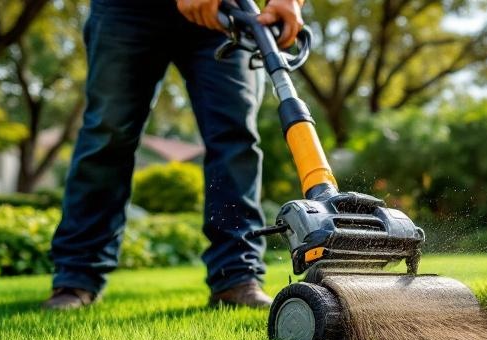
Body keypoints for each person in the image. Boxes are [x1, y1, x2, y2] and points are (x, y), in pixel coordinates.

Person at [43, 0, 304, 310]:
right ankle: (77, 277)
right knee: (107, 132)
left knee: (234, 136)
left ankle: (236, 275)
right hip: (126, 10)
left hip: (223, 11)